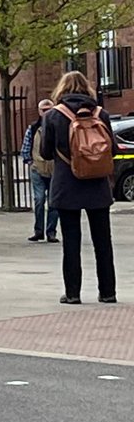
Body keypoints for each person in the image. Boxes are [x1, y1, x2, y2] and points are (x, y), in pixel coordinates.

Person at [40, 70, 118, 305]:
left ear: (61, 89)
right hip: (97, 185)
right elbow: (112, 149)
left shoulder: (54, 115)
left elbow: (45, 152)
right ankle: (107, 292)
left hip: (67, 185)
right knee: (103, 241)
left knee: (71, 242)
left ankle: (73, 293)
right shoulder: (100, 113)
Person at [20, 99, 58, 242]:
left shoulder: (58, 127)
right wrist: (30, 163)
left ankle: (51, 232)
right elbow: (25, 149)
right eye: (44, 110)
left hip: (54, 170)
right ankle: (39, 230)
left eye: (49, 109)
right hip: (37, 169)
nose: (46, 113)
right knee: (39, 199)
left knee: (53, 202)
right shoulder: (33, 128)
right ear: (39, 111)